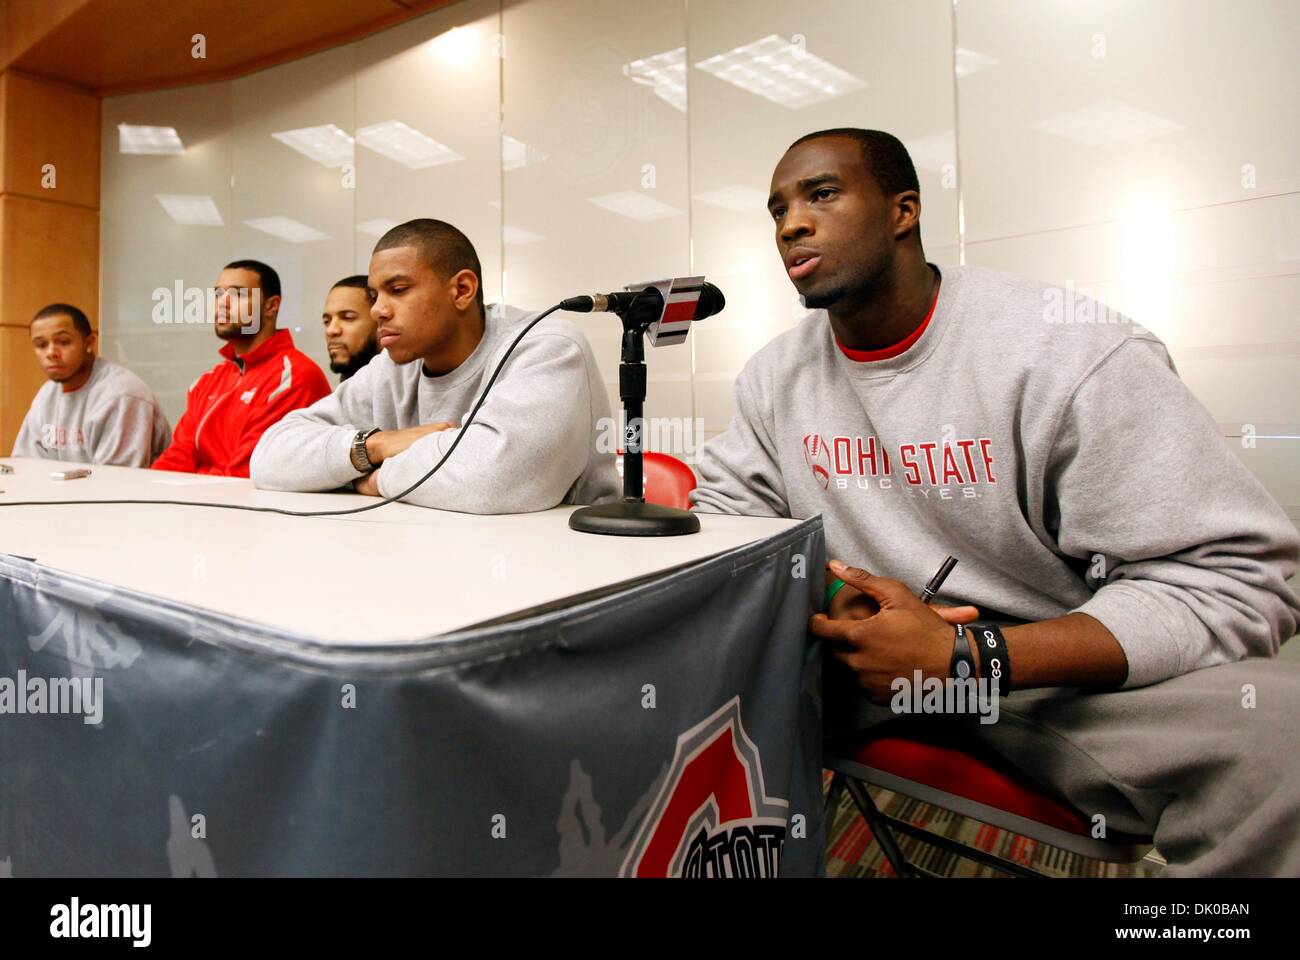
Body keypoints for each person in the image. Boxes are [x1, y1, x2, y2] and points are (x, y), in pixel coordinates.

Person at [689, 127, 1300, 875]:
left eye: (821, 194)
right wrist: (833, 591)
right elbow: (724, 532)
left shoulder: (1066, 352)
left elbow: (1236, 579)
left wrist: (968, 656)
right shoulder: (772, 376)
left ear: (902, 210)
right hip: (852, 663)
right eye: (777, 209)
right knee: (651, 677)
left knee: (1284, 734)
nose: (790, 225)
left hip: (1038, 670)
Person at [250, 219, 620, 513]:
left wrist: (373, 479)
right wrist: (374, 446)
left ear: (461, 290)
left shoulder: (546, 346)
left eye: (398, 289)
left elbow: (491, 480)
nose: (378, 309)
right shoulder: (392, 368)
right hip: (437, 558)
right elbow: (269, 457)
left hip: (569, 571)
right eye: (375, 295)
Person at [151, 260, 330, 477]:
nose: (222, 304)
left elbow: (246, 475)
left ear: (271, 306)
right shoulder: (208, 380)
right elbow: (177, 459)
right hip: (199, 503)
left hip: (248, 507)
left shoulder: (294, 377)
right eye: (218, 294)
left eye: (237, 295)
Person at [12, 303, 171, 466]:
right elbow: (25, 467)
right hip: (68, 491)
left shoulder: (122, 394)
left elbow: (117, 482)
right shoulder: (46, 394)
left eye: (63, 342)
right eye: (41, 345)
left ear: (89, 343)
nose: (51, 353)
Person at [322, 275, 379, 381]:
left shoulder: (405, 388)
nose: (331, 330)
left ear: (380, 322)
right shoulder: (347, 388)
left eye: (347, 318)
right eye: (327, 321)